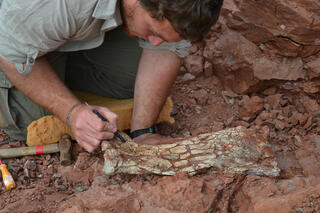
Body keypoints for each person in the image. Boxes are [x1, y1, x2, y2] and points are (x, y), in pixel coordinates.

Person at [0, 0, 223, 152]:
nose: (154, 42)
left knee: (134, 82)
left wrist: (143, 132)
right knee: (32, 118)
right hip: (8, 37)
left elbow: (166, 43)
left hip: (50, 29)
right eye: (152, 31)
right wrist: (72, 113)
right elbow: (9, 53)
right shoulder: (62, 5)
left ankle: (52, 54)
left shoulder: (171, 9)